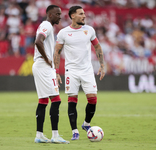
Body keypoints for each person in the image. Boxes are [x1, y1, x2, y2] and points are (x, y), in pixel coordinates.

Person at [54, 5, 105, 140]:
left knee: (93, 99)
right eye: (81, 14)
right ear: (72, 16)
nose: (84, 16)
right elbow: (57, 52)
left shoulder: (89, 30)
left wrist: (102, 65)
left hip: (87, 70)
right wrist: (56, 71)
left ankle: (86, 124)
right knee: (72, 101)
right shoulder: (63, 33)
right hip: (71, 71)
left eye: (84, 13)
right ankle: (74, 131)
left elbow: (97, 46)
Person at [32, 5, 69, 144]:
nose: (60, 16)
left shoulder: (47, 26)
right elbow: (38, 41)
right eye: (58, 14)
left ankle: (39, 135)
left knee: (43, 101)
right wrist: (48, 60)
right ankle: (55, 135)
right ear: (50, 14)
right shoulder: (46, 25)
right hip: (43, 66)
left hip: (42, 66)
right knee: (56, 100)